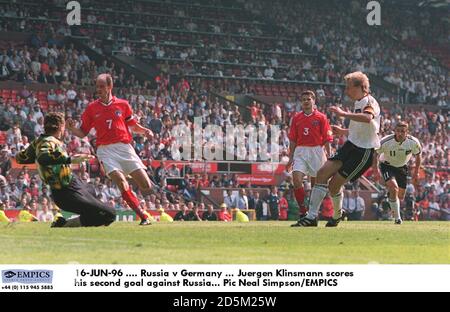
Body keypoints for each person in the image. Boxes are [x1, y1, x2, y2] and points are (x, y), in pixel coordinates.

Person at [292, 71, 381, 227]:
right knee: (321, 173)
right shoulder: (359, 102)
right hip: (351, 145)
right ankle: (311, 217)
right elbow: (365, 130)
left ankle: (337, 214)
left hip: (364, 152)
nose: (346, 91)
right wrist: (344, 132)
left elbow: (368, 119)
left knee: (334, 185)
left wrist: (343, 113)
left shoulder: (370, 102)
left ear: (360, 87)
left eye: (348, 88)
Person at [66, 74, 154, 225]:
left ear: (109, 87)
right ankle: (142, 216)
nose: (98, 89)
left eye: (101, 86)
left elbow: (133, 126)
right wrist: (72, 129)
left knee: (146, 185)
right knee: (121, 181)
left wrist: (145, 131)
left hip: (124, 148)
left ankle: (139, 204)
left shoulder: (123, 104)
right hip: (105, 150)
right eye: (97, 86)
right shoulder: (92, 108)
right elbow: (83, 132)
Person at [16, 112, 116, 227]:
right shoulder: (47, 141)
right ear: (59, 127)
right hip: (67, 192)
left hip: (72, 185)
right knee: (110, 214)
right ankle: (65, 224)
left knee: (92, 190)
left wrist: (36, 155)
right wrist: (70, 159)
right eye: (63, 126)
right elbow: (44, 158)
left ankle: (68, 221)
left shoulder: (41, 140)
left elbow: (21, 158)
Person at [287, 90, 332, 217]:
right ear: (301, 103)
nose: (306, 101)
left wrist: (329, 155)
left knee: (316, 185)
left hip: (316, 151)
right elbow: (293, 140)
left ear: (313, 101)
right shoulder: (296, 118)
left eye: (308, 99)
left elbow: (327, 138)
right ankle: (303, 210)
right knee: (296, 179)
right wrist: (290, 158)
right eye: (303, 100)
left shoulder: (321, 117)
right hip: (300, 151)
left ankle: (312, 213)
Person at [372, 121, 422, 224]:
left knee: (400, 196)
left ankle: (390, 195)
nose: (400, 133)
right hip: (387, 165)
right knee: (394, 187)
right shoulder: (386, 141)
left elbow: (418, 155)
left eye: (403, 131)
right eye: (398, 131)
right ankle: (397, 218)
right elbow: (375, 154)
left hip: (402, 167)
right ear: (394, 131)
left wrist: (416, 172)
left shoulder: (413, 142)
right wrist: (376, 170)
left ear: (407, 132)